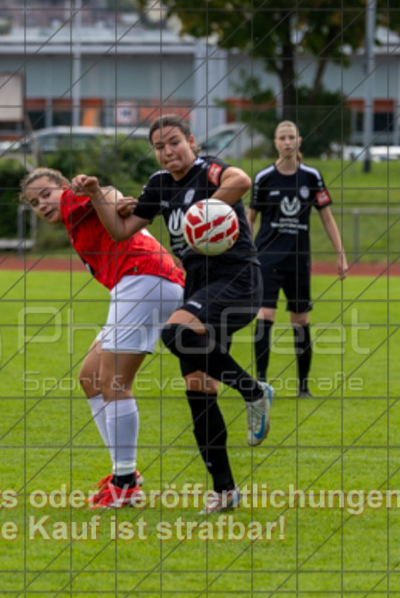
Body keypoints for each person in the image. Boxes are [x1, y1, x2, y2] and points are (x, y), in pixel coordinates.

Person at [72, 114, 274, 514]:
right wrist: (97, 194)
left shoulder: (209, 170)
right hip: (199, 286)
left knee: (174, 332)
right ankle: (225, 491)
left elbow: (242, 181)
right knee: (199, 391)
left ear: (192, 142)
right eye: (160, 147)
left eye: (174, 142)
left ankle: (253, 391)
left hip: (237, 280)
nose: (168, 152)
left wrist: (205, 210)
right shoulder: (159, 185)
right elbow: (121, 230)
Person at [20, 167, 186, 509]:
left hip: (144, 278)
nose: (43, 204)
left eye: (46, 194)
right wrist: (111, 201)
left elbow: (106, 192)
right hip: (142, 282)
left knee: (113, 382)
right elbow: (111, 202)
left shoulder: (72, 199)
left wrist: (98, 192)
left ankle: (125, 483)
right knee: (91, 378)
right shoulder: (73, 218)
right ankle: (124, 473)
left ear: (62, 188)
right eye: (35, 202)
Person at [248, 121, 349, 398]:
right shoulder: (263, 178)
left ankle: (303, 387)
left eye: (292, 137)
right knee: (265, 315)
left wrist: (340, 254)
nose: (288, 142)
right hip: (266, 258)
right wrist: (245, 255)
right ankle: (261, 383)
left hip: (298, 260)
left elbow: (326, 217)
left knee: (300, 319)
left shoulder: (312, 177)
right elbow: (250, 219)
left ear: (299, 141)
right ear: (275, 142)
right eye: (282, 137)